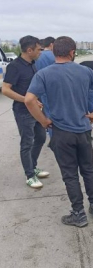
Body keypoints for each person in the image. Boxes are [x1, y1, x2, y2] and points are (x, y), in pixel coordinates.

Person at [25, 36, 93, 227]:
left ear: (54, 52)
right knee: (89, 170)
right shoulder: (85, 71)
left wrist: (44, 121)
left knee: (70, 174)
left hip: (61, 133)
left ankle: (78, 213)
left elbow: (29, 100)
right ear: (72, 52)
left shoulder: (44, 74)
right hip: (83, 131)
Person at [2, 36, 48, 188]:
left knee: (40, 138)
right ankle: (29, 175)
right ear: (29, 50)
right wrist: (27, 100)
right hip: (23, 111)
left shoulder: (32, 64)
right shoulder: (15, 66)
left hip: (36, 110)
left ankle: (33, 167)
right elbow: (6, 89)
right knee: (27, 143)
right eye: (38, 49)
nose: (40, 52)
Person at [35, 37, 55, 140]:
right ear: (51, 44)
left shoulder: (38, 56)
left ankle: (50, 135)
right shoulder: (54, 56)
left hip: (41, 89)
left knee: (47, 113)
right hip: (55, 89)